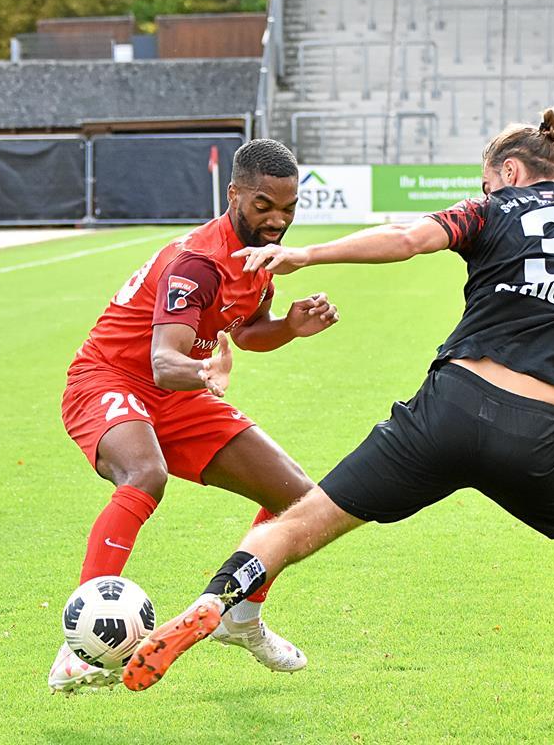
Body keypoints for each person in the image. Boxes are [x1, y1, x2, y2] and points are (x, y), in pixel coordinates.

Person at [121, 5, 554, 717]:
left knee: (302, 521)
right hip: (533, 434)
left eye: (487, 178)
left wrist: (308, 252)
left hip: (444, 410)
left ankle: (215, 599)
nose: (484, 188)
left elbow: (403, 240)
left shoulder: (490, 211)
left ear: (509, 172)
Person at [48, 139, 341, 692]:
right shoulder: (197, 264)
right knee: (146, 474)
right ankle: (78, 649)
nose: (277, 220)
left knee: (299, 500)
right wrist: (207, 375)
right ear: (233, 194)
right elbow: (163, 362)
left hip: (179, 393)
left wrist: (290, 327)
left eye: (289, 207)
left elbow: (249, 333)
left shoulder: (256, 257)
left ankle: (242, 619)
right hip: (108, 379)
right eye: (263, 206)